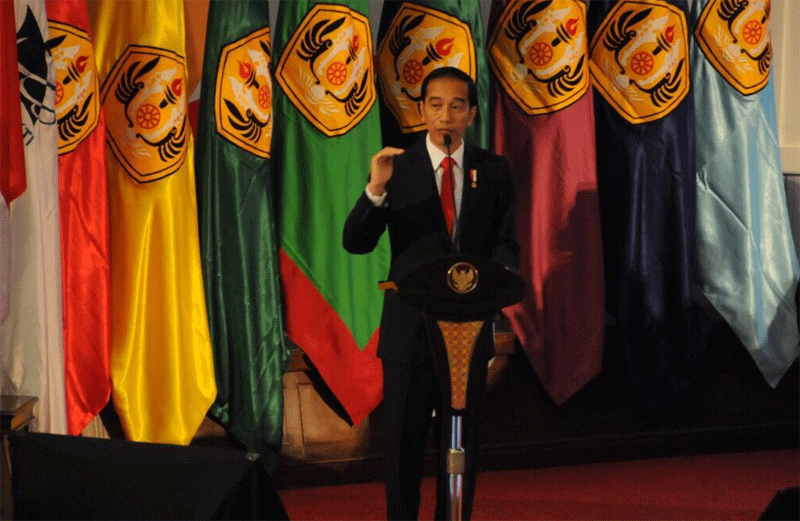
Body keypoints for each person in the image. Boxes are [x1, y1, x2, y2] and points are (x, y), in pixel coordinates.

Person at [343, 67, 518, 520]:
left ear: (471, 114)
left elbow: (506, 244)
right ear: (421, 110)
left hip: (468, 334)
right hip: (411, 333)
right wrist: (375, 189)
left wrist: (499, 273)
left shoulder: (493, 171)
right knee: (402, 447)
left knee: (460, 446)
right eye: (436, 105)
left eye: (457, 106)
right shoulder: (396, 168)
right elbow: (355, 242)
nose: (445, 115)